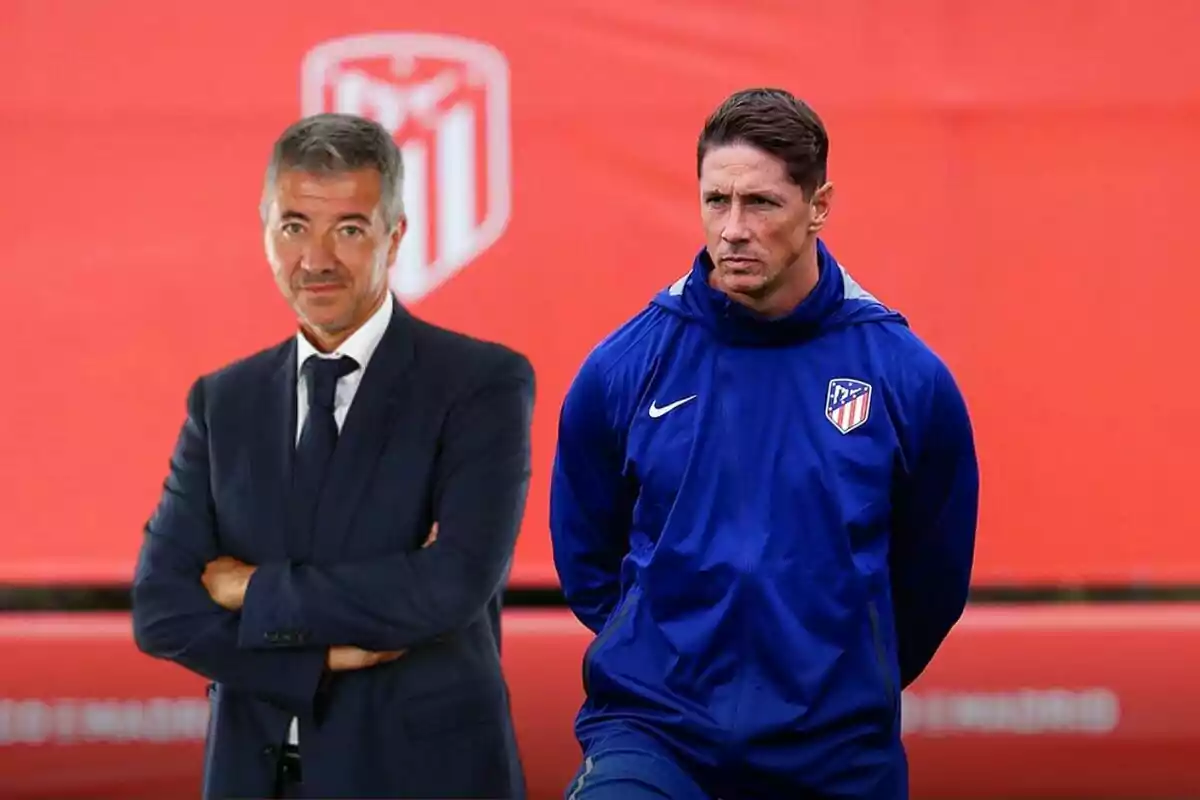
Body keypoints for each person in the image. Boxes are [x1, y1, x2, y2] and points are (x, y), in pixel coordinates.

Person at [549, 88, 979, 799]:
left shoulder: (905, 378)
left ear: (819, 206)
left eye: (762, 204)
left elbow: (932, 580)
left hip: (835, 752)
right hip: (656, 733)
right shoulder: (626, 367)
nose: (734, 229)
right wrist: (664, 648)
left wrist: (841, 671)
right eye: (716, 201)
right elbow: (587, 555)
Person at [131, 113, 535, 800]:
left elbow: (450, 585)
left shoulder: (480, 383)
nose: (315, 259)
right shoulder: (222, 401)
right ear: (265, 234)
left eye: (348, 229)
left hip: (424, 781)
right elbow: (162, 609)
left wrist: (251, 589)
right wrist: (317, 660)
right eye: (294, 227)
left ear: (395, 236)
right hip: (255, 779)